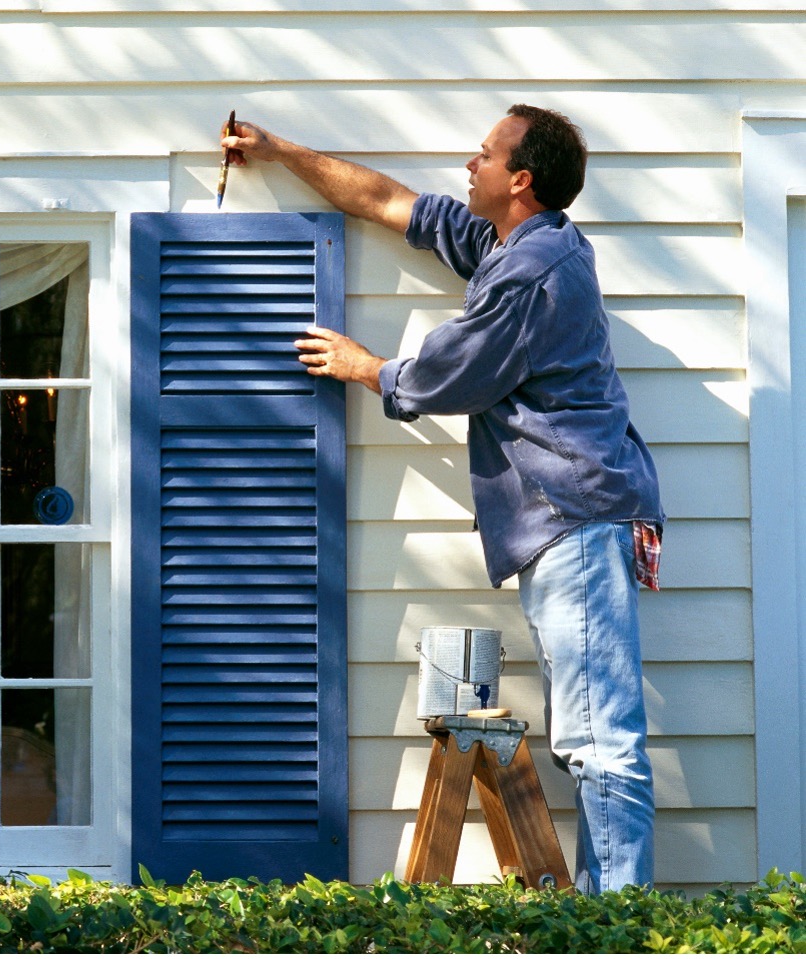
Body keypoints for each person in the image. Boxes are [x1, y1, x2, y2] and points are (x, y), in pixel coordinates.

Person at [223, 105, 664, 894]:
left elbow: (450, 375)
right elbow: (391, 204)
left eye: (486, 154)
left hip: (579, 519)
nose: (470, 162)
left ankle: (618, 923)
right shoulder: (513, 246)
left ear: (520, 179)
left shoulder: (531, 273)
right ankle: (606, 914)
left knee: (601, 741)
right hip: (575, 521)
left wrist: (365, 366)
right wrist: (276, 148)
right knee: (592, 735)